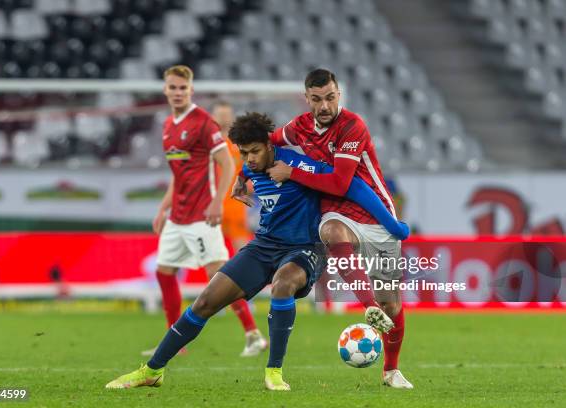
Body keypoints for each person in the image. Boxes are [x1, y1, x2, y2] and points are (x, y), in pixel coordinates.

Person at [106, 112, 408, 391]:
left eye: (254, 151)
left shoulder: (296, 164)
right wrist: (240, 176)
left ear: (269, 144)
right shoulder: (252, 168)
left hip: (304, 250)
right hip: (264, 245)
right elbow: (247, 167)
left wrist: (394, 225)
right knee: (206, 301)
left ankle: (274, 372)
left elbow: (351, 187)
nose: (249, 159)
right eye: (244, 153)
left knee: (283, 284)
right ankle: (152, 370)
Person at [263, 68, 413, 389]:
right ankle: (368, 306)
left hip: (376, 217)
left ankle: (391, 370)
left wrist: (292, 172)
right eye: (317, 100)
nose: (324, 106)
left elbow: (339, 182)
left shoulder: (352, 126)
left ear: (338, 95)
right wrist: (243, 172)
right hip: (337, 214)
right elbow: (267, 142)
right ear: (307, 99)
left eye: (330, 98)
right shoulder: (299, 127)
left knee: (392, 303)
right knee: (332, 232)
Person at [143, 65, 266, 358]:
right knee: (164, 272)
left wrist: (215, 201)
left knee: (220, 280)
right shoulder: (168, 125)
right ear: (165, 90)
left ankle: (253, 334)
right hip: (178, 216)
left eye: (182, 88)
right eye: (172, 87)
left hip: (201, 215)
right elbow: (178, 173)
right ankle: (176, 342)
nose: (177, 92)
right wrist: (163, 208)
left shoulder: (202, 122)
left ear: (190, 90)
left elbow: (227, 165)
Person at [211, 100, 253, 254]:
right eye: (220, 115)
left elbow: (255, 172)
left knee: (242, 249)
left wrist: (248, 187)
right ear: (213, 117)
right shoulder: (205, 144)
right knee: (211, 252)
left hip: (234, 205)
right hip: (210, 205)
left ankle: (248, 277)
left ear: (232, 118)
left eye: (226, 115)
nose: (223, 119)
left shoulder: (241, 145)